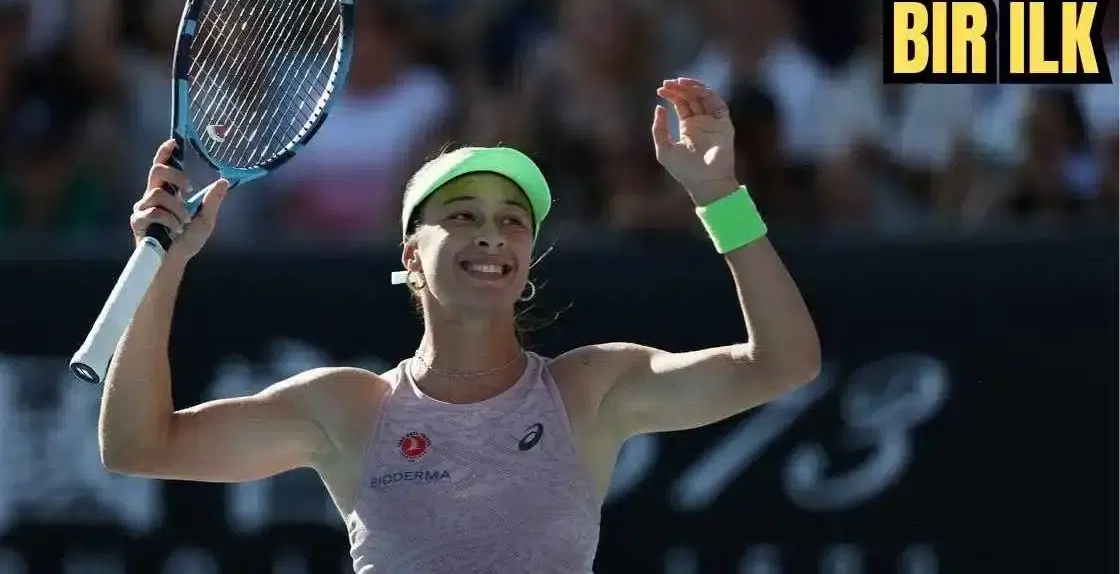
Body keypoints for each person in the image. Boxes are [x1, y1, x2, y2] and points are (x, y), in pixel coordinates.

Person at [99, 78, 821, 573]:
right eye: (463, 215)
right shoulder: (345, 409)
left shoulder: (591, 389)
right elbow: (137, 446)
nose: (491, 235)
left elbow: (785, 363)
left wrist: (719, 196)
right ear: (411, 256)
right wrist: (164, 267)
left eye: (513, 222)